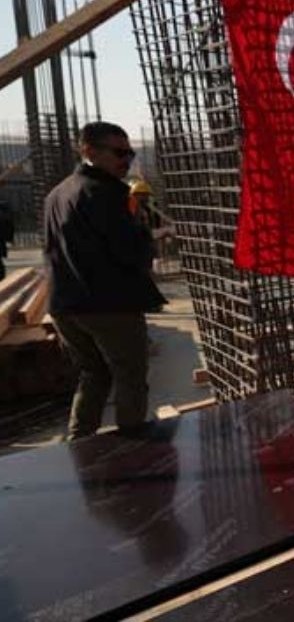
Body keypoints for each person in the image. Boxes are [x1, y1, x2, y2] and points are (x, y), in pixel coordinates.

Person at [44, 122, 166, 439]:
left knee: (93, 374)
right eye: (118, 152)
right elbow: (130, 251)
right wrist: (147, 238)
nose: (126, 159)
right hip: (108, 304)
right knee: (130, 377)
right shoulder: (105, 192)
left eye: (130, 152)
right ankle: (131, 448)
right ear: (89, 151)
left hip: (66, 305)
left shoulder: (57, 193)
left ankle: (79, 443)